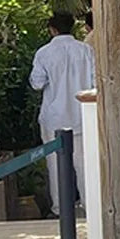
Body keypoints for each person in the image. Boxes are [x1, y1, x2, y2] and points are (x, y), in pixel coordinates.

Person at [29, 12, 95, 217]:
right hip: (81, 115)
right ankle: (89, 205)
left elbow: (37, 83)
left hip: (54, 117)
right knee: (83, 163)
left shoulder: (44, 53)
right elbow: (95, 81)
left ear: (52, 29)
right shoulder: (86, 50)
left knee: (55, 164)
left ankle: (60, 208)